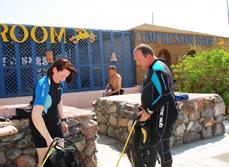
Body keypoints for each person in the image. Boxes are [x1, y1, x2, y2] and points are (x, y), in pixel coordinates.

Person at [133, 44, 178, 167]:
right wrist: (145, 107)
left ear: (148, 56)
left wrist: (148, 111)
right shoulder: (152, 67)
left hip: (164, 114)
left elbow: (165, 94)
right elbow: (155, 92)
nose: (137, 63)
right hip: (157, 113)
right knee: (153, 145)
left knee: (163, 149)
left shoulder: (158, 69)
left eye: (139, 60)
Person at [29, 58, 76, 167]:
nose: (64, 80)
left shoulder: (60, 82)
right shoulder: (44, 84)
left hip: (55, 123)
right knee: (43, 160)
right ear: (54, 70)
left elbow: (59, 100)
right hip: (40, 126)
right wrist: (48, 138)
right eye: (62, 76)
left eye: (66, 77)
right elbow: (36, 116)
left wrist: (63, 120)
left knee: (60, 158)